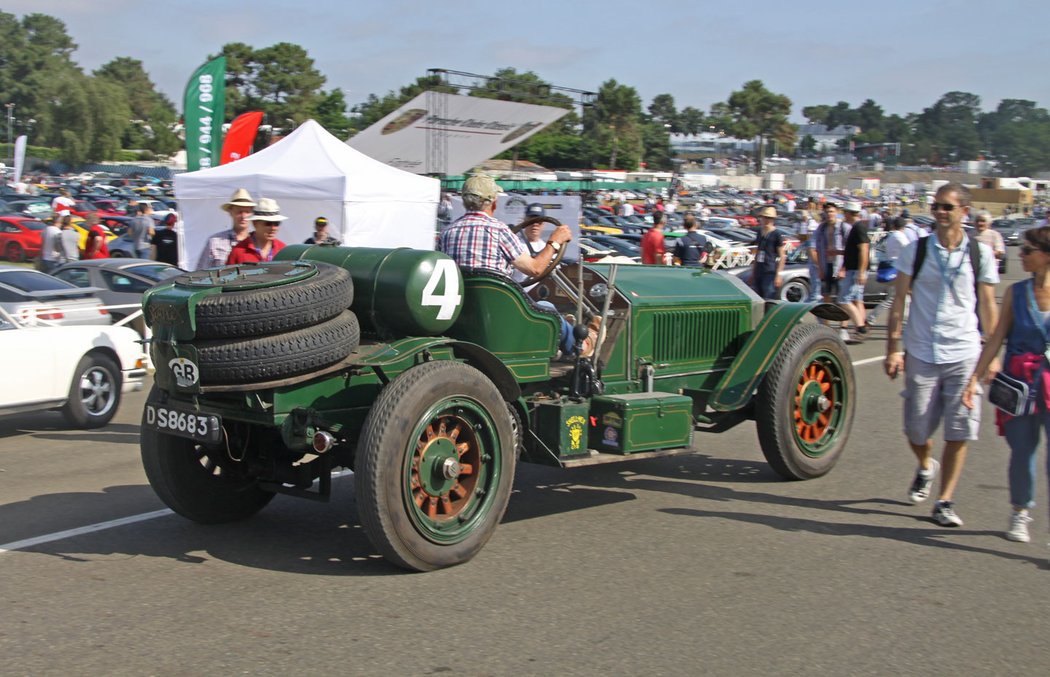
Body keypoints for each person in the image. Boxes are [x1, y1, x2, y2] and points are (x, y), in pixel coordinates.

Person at [884, 183, 1000, 527]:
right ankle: (925, 464)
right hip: (921, 350)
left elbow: (988, 305)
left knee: (959, 430)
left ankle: (945, 500)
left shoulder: (979, 254)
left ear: (965, 211)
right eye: (936, 206)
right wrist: (893, 348)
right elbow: (899, 302)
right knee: (915, 429)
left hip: (965, 352)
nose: (940, 212)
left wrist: (992, 353)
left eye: (947, 207)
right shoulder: (915, 251)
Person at [963, 226, 1050, 544]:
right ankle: (1020, 512)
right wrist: (974, 378)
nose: (1021, 255)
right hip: (1020, 385)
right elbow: (997, 336)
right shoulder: (1016, 292)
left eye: (1028, 251)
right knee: (1022, 452)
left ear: (1046, 256)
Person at [437, 174, 580, 357]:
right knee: (546, 307)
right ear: (493, 203)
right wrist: (554, 241)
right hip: (500, 320)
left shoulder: (447, 232)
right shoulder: (499, 231)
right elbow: (535, 268)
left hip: (463, 318)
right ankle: (579, 348)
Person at [196, 188, 256, 269]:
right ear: (230, 212)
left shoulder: (257, 243)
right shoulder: (215, 242)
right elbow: (200, 273)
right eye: (239, 212)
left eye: (247, 212)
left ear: (252, 214)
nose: (243, 216)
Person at [867, 216, 910, 326]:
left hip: (890, 268)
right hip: (896, 270)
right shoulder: (899, 236)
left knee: (898, 297)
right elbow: (909, 249)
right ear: (903, 227)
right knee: (895, 297)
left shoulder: (888, 236)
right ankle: (872, 318)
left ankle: (903, 320)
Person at [837, 201, 870, 341]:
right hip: (854, 269)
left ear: (849, 213)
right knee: (857, 299)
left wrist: (861, 271)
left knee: (844, 300)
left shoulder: (859, 228)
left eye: (845, 212)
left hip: (856, 270)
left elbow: (864, 249)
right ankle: (860, 327)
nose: (844, 215)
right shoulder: (856, 228)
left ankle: (860, 326)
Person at [227, 197, 288, 264]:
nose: (273, 228)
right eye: (268, 223)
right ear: (255, 223)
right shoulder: (238, 251)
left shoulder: (283, 250)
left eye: (277, 223)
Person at [750, 205, 786, 300]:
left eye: (769, 218)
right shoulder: (760, 232)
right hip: (759, 270)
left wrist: (778, 275)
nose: (766, 220)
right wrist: (753, 271)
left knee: (769, 296)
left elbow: (782, 256)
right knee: (758, 297)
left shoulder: (776, 234)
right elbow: (757, 252)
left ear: (773, 220)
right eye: (764, 217)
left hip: (769, 271)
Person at [512, 204, 551, 290]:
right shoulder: (514, 244)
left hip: (540, 293)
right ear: (525, 221)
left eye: (539, 221)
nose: (535, 224)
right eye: (532, 220)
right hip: (518, 292)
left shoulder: (548, 248)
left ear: (544, 224)